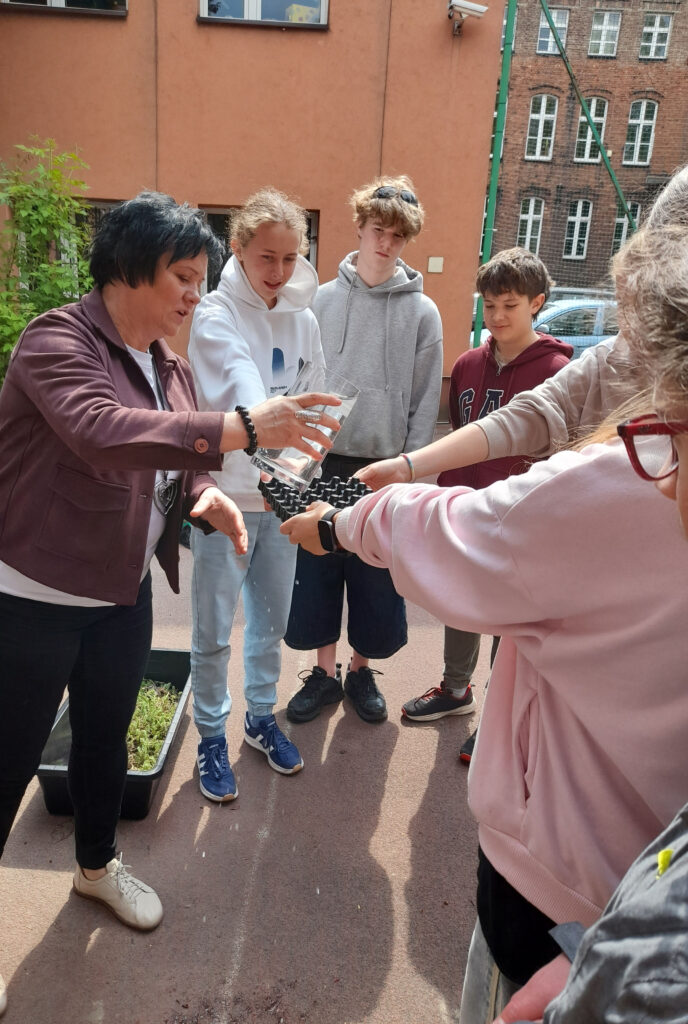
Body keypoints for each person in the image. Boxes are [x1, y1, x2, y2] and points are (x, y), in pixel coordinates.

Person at [0, 191, 341, 1024]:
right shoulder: (57, 341)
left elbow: (170, 466)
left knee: (104, 739)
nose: (195, 294)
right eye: (183, 276)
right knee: (6, 761)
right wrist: (241, 428)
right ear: (128, 269)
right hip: (32, 592)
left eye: (201, 278)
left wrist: (203, 496)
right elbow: (102, 431)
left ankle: (96, 867)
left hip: (118, 590)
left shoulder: (168, 362)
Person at [280, 221, 688, 1024]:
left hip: (560, 870)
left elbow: (475, 535)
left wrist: (339, 522)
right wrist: (407, 467)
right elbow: (540, 413)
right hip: (651, 872)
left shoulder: (635, 479)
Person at [491, 222, 688, 1024]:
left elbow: (479, 537)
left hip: (566, 879)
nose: (665, 479)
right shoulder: (601, 375)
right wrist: (603, 948)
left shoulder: (608, 482)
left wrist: (614, 957)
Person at [284, 175, 443, 725]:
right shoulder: (321, 301)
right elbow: (302, 380)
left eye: (398, 235)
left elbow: (425, 399)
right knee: (318, 574)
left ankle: (360, 670)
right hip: (322, 461)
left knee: (376, 579)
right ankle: (323, 674)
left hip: (385, 466)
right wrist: (295, 457)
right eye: (378, 230)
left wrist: (411, 469)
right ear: (359, 226)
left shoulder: (423, 313)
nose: (386, 243)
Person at [395, 248, 571, 737]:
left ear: (536, 303)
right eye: (489, 305)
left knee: (510, 617)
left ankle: (498, 714)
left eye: (509, 305)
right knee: (463, 599)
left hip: (520, 515)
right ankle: (456, 690)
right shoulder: (468, 364)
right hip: (466, 509)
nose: (497, 316)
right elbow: (460, 428)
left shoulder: (557, 369)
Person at [187, 187, 325, 802]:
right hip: (226, 498)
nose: (279, 271)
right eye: (267, 256)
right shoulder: (215, 313)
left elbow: (318, 397)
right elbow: (240, 376)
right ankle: (211, 736)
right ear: (238, 248)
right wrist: (267, 421)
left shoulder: (305, 316)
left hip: (283, 496)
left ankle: (261, 717)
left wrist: (302, 464)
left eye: (291, 258)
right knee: (214, 628)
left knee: (272, 620)